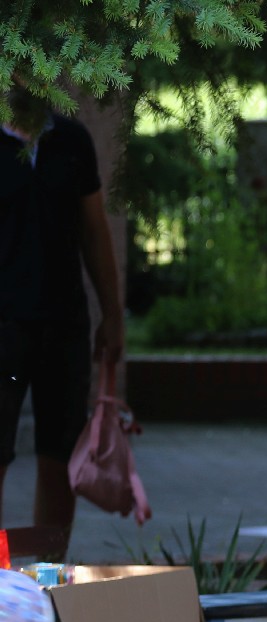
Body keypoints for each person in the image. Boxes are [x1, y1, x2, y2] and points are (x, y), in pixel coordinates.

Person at [0, 85, 125, 551]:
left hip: (62, 325)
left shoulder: (72, 140)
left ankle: (44, 585)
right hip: (2, 328)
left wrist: (112, 316)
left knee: (59, 457)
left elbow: (94, 232)